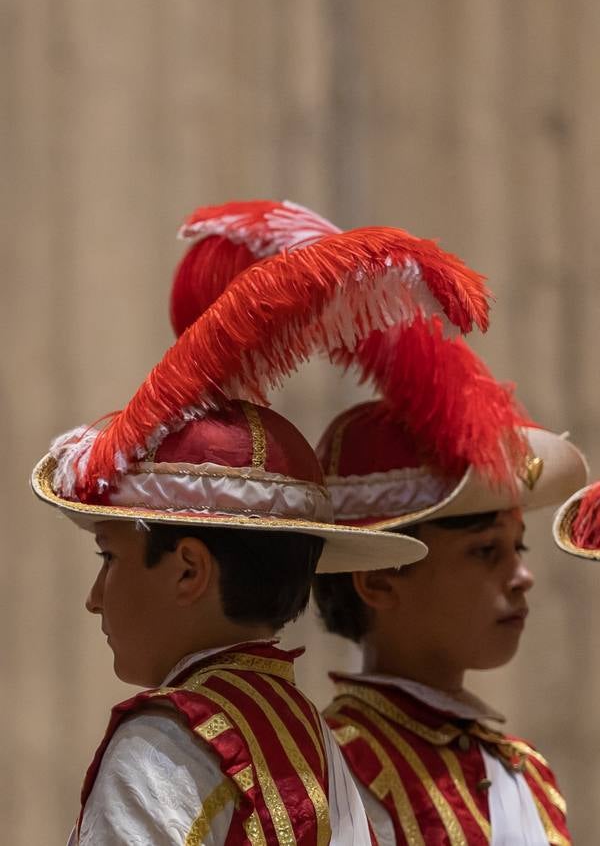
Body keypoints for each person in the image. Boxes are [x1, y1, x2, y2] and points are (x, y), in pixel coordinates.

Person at [33, 220, 488, 845]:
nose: (93, 594)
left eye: (109, 556)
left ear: (189, 569)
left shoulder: (159, 748)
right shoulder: (315, 738)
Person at [312, 318, 588, 845]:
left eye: (518, 548)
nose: (523, 577)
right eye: (486, 551)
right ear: (377, 581)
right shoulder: (327, 774)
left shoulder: (524, 773)